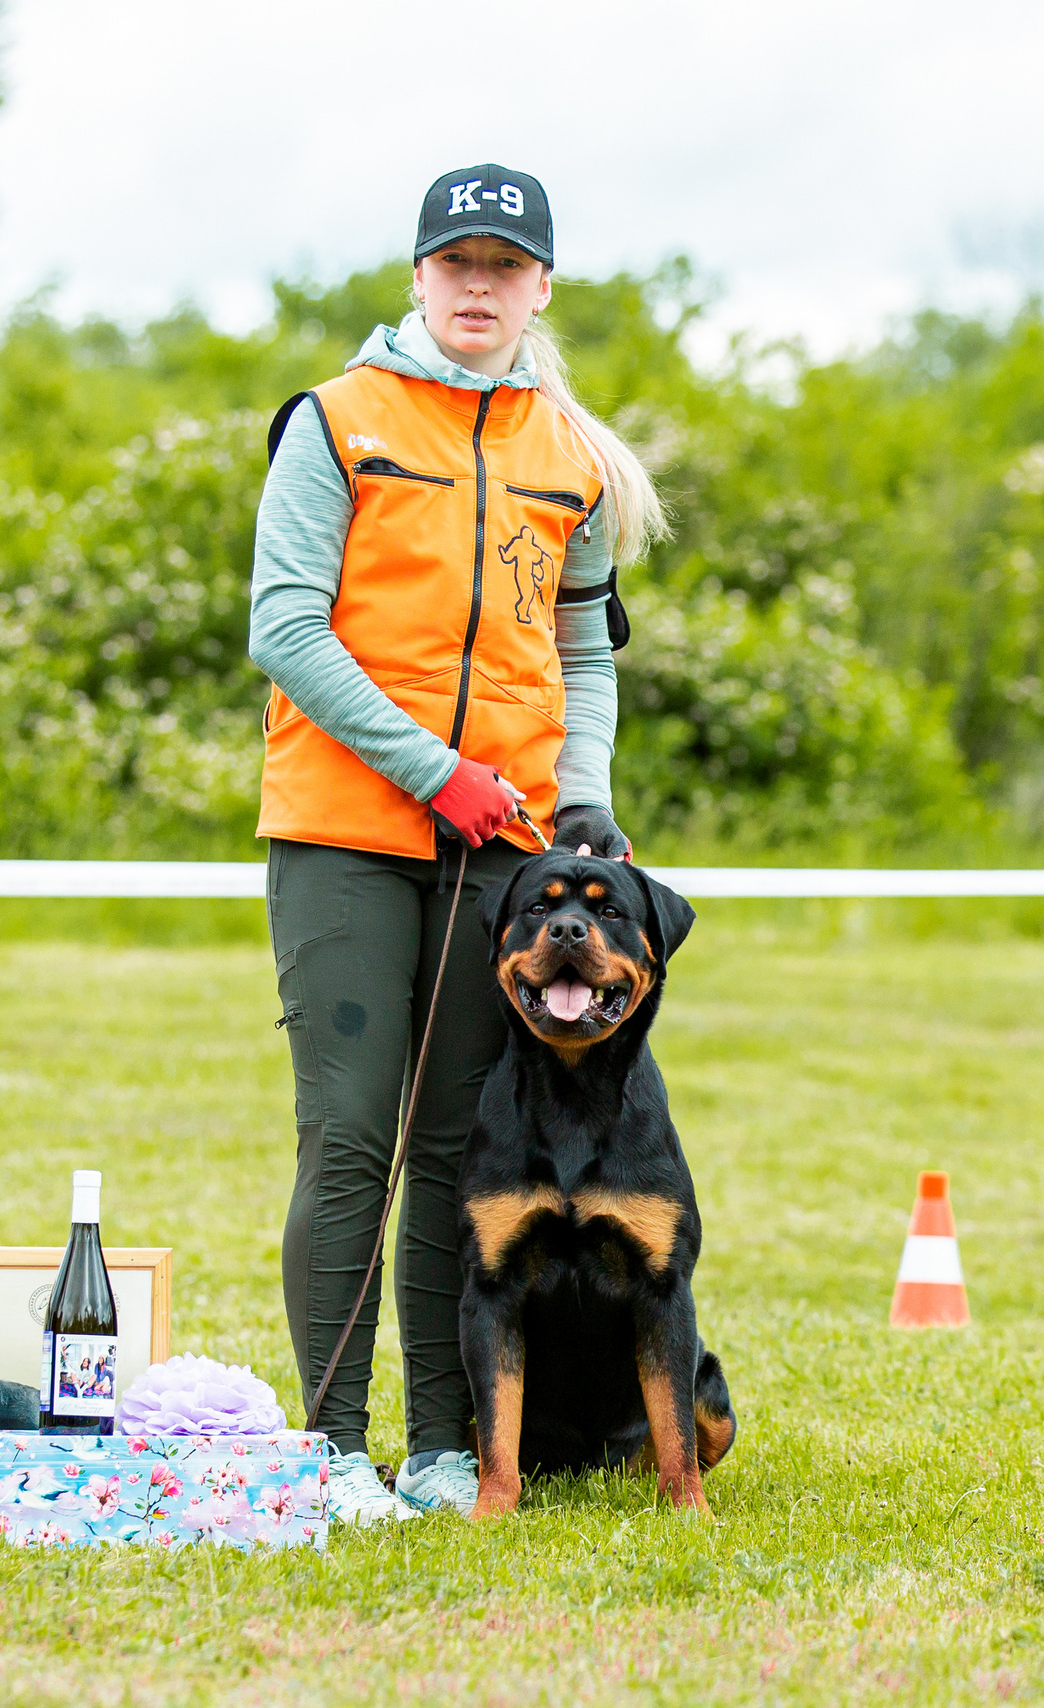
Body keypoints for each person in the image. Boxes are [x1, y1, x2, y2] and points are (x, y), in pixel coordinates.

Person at [248, 164, 668, 1521]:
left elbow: (583, 658)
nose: (479, 286)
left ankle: (440, 1449)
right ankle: (323, 1449)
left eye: (506, 266)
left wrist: (581, 796)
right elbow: (287, 634)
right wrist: (435, 773)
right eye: (456, 263)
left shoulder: (575, 457)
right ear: (420, 277)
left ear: (542, 285)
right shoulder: (335, 424)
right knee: (350, 1141)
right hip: (349, 834)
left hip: (507, 844)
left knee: (456, 1151)